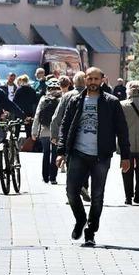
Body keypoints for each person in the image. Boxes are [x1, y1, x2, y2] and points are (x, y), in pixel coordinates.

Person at [56, 67, 131, 247]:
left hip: (101, 156)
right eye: (90, 79)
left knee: (97, 196)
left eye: (96, 79)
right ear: (85, 80)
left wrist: (125, 156)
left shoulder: (112, 102)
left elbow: (122, 130)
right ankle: (81, 219)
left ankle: (90, 232)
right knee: (71, 192)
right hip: (78, 153)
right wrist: (60, 152)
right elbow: (65, 126)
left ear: (102, 80)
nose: (93, 82)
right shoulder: (75, 100)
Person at [50, 71, 91, 202]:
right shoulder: (91, 96)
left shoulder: (67, 96)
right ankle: (84, 186)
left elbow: (56, 117)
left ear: (73, 83)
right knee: (86, 162)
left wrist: (54, 134)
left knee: (70, 164)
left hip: (69, 135)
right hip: (87, 134)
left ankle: (72, 193)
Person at [32, 79, 62, 184]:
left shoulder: (43, 99)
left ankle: (45, 177)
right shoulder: (62, 99)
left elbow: (37, 115)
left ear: (48, 88)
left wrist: (34, 132)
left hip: (44, 130)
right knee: (54, 153)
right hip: (57, 132)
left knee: (45, 153)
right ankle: (53, 178)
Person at [13, 74, 39, 139]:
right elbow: (35, 101)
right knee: (28, 129)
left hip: (19, 111)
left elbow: (14, 101)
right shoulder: (32, 90)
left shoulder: (19, 90)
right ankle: (29, 143)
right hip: (29, 112)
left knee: (17, 128)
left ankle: (16, 142)